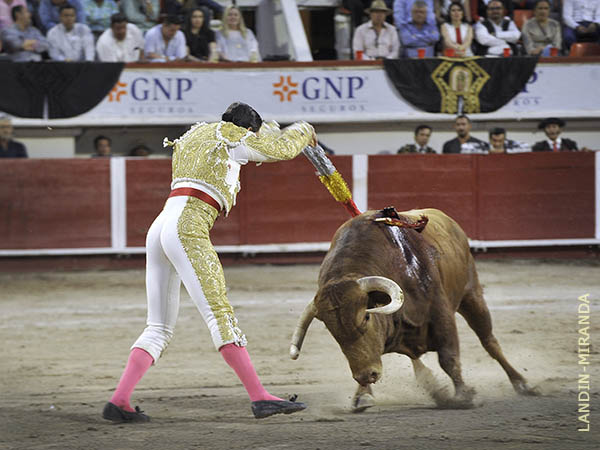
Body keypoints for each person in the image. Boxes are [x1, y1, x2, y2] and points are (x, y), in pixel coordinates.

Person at [101, 102, 317, 423]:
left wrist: (270, 127)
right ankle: (260, 397)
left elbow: (264, 140)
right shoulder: (236, 137)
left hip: (161, 225)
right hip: (188, 225)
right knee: (219, 314)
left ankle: (119, 401)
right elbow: (281, 149)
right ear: (247, 130)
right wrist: (303, 130)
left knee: (158, 326)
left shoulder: (196, 134)